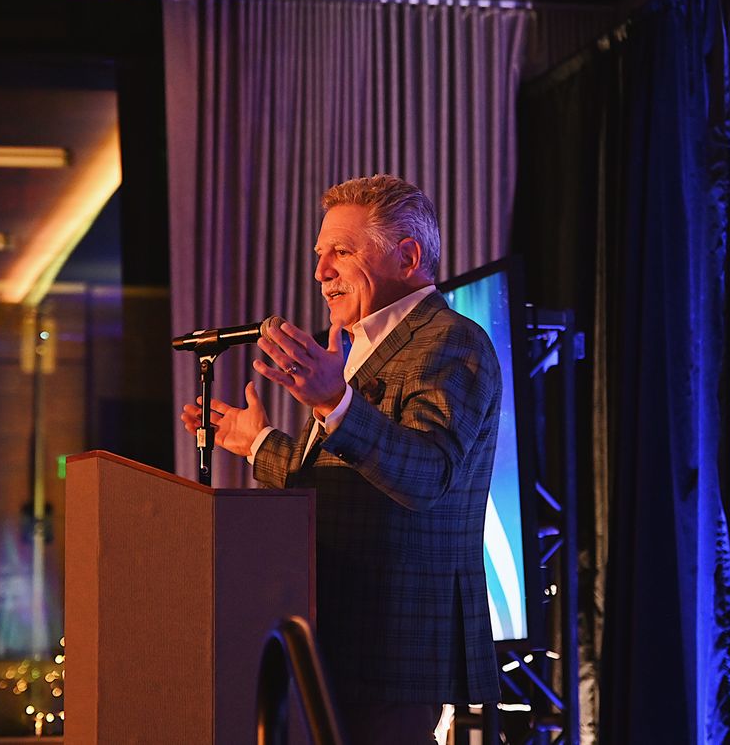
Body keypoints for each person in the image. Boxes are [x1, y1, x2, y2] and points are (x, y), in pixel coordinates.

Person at [180, 174, 501, 743]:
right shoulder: (356, 346)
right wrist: (257, 443)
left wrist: (336, 401)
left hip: (393, 644)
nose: (320, 271)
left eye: (341, 252)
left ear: (407, 256)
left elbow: (428, 475)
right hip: (330, 633)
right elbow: (348, 489)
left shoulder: (452, 341)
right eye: (319, 253)